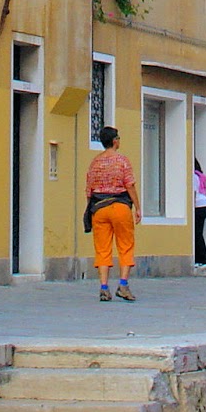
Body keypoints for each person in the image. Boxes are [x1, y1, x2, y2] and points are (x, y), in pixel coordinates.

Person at [83, 125, 140, 301]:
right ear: (115, 141)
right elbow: (129, 184)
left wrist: (91, 211)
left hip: (99, 208)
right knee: (125, 246)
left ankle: (104, 287)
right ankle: (123, 285)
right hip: (120, 206)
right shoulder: (122, 161)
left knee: (102, 248)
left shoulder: (95, 163)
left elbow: (89, 191)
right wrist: (137, 207)